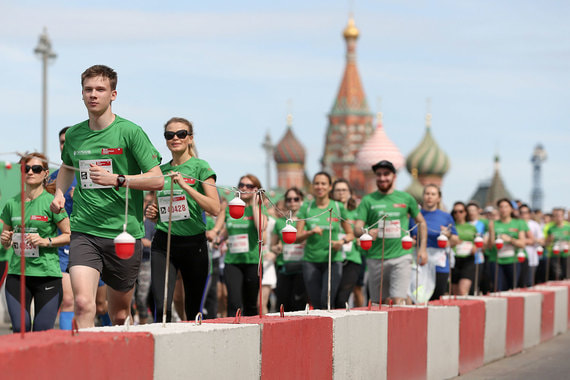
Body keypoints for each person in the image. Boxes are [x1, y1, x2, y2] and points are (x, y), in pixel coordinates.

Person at [50, 65, 163, 328]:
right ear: (81, 94)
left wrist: (118, 180)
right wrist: (58, 192)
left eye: (100, 89)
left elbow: (157, 179)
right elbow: (68, 167)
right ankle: (84, 365)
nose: (93, 94)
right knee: (83, 303)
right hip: (84, 231)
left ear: (113, 94)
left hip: (122, 233)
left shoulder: (130, 132)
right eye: (88, 89)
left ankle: (127, 363)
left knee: (120, 315)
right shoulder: (75, 135)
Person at [145, 117, 219, 322]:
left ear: (190, 139)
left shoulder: (201, 167)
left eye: (181, 134)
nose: (175, 138)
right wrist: (154, 213)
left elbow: (214, 207)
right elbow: (168, 207)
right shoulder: (161, 171)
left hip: (193, 243)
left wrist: (186, 186)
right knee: (161, 305)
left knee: (193, 307)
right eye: (170, 135)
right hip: (164, 242)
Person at [1, 153, 71, 332]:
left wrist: (45, 241)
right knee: (20, 329)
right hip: (18, 276)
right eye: (26, 168)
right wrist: (6, 239)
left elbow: (69, 235)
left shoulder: (52, 203)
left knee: (41, 331)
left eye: (36, 169)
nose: (30, 172)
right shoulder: (11, 204)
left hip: (47, 276)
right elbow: (6, 238)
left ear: (45, 173)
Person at [355, 160, 427, 305]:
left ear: (394, 176)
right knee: (377, 303)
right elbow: (357, 228)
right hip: (376, 258)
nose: (382, 178)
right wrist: (367, 232)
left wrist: (422, 249)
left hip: (401, 257)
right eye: (379, 175)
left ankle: (400, 327)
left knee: (397, 300)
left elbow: (422, 222)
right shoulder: (367, 200)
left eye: (386, 174)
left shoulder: (406, 198)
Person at [295, 172, 353, 310]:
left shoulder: (338, 207)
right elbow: (296, 238)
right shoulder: (306, 208)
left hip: (332, 260)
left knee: (326, 301)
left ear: (329, 187)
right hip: (311, 261)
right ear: (312, 186)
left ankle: (332, 331)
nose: (319, 187)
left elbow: (350, 234)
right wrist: (310, 232)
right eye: (316, 183)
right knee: (316, 302)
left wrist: (342, 242)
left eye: (323, 184)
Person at [212, 174, 266, 316]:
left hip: (253, 261)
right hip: (233, 262)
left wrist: (254, 204)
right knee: (234, 302)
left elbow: (261, 227)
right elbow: (228, 230)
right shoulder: (232, 208)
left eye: (249, 186)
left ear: (256, 189)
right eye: (241, 185)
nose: (244, 188)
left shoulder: (259, 208)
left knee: (251, 305)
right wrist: (219, 238)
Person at [409, 184, 458, 300]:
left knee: (436, 298)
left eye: (433, 194)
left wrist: (448, 235)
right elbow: (408, 236)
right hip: (419, 260)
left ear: (438, 198)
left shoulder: (445, 217)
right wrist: (411, 241)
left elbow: (456, 240)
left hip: (439, 263)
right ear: (423, 196)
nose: (429, 197)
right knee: (417, 297)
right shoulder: (414, 216)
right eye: (427, 194)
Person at [270, 187, 307, 312]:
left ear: (301, 200)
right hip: (284, 267)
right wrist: (277, 248)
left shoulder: (307, 221)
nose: (292, 202)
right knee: (283, 305)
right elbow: (273, 246)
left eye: (296, 199)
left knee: (299, 305)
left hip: (302, 268)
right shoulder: (280, 222)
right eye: (289, 199)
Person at [330, 179, 363, 308]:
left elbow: (363, 230)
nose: (341, 193)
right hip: (332, 258)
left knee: (343, 297)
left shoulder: (356, 213)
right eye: (338, 190)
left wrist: (361, 237)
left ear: (350, 193)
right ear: (332, 193)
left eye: (344, 190)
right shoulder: (328, 210)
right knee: (330, 297)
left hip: (352, 258)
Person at [488, 198, 528, 291]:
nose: (503, 209)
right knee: (498, 289)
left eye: (506, 206)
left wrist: (510, 239)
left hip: (513, 260)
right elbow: (490, 246)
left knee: (512, 289)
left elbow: (522, 244)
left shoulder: (519, 223)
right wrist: (492, 234)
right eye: (501, 207)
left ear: (511, 209)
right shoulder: (493, 224)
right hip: (497, 260)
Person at [451, 202, 477, 295]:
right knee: (455, 293)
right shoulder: (451, 226)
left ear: (465, 212)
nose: (458, 214)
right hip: (454, 259)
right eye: (455, 212)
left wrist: (475, 246)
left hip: (468, 259)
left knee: (463, 291)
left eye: (461, 211)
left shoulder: (471, 227)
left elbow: (477, 240)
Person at [519, 204, 543, 286]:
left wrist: (528, 240)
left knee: (529, 283)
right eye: (521, 213)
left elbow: (541, 240)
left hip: (531, 258)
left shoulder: (534, 225)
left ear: (529, 214)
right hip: (518, 258)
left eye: (525, 213)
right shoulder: (516, 224)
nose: (523, 215)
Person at [545, 208, 570, 280]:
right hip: (554, 254)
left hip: (566, 254)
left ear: (563, 216)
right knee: (557, 275)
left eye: (560, 215)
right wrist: (550, 239)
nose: (558, 217)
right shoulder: (551, 228)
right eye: (556, 215)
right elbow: (546, 243)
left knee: (566, 275)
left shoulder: (568, 227)